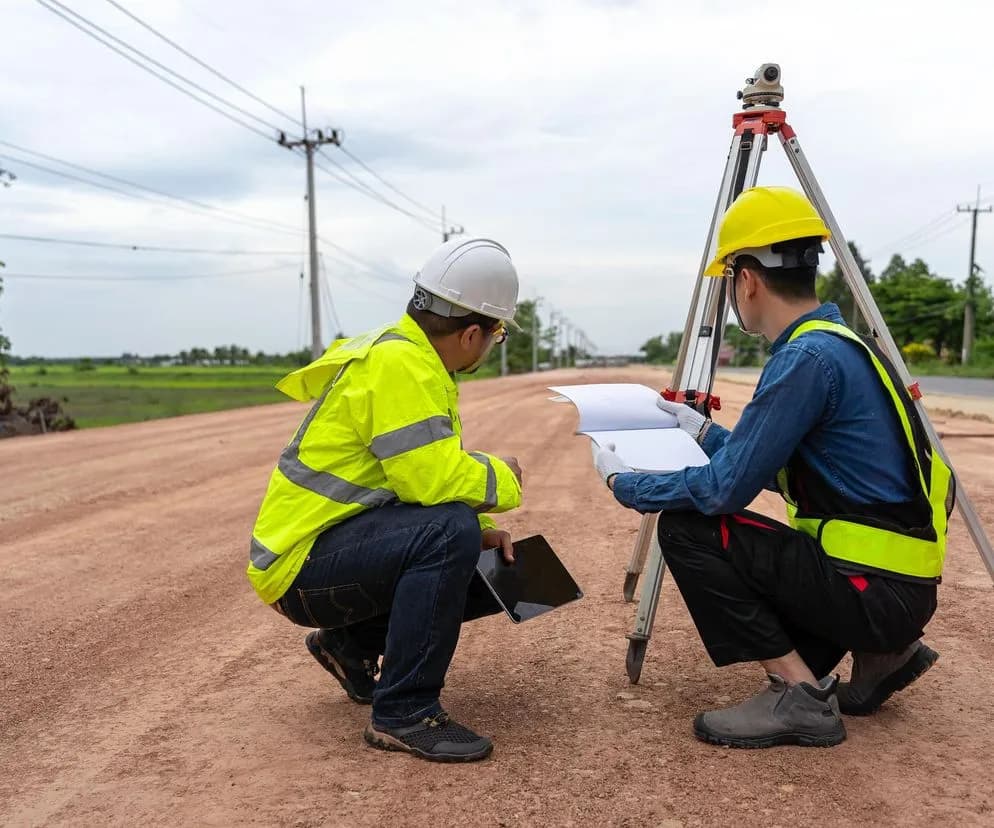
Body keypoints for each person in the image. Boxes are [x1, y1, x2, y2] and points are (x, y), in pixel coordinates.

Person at [592, 186, 953, 749]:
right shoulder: (841, 344)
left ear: (748, 280)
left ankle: (799, 698)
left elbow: (724, 490)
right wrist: (700, 430)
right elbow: (769, 465)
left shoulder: (803, 359)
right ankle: (884, 654)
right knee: (737, 533)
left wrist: (628, 484)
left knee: (687, 529)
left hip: (874, 593)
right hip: (897, 589)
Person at [248, 237, 524, 763]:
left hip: (320, 553)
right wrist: (504, 478)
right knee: (450, 533)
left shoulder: (402, 355)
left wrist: (469, 530)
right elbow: (432, 482)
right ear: (471, 334)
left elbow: (408, 482)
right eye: (497, 336)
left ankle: (347, 648)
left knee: (469, 546)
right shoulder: (402, 366)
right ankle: (404, 712)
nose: (492, 346)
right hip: (299, 568)